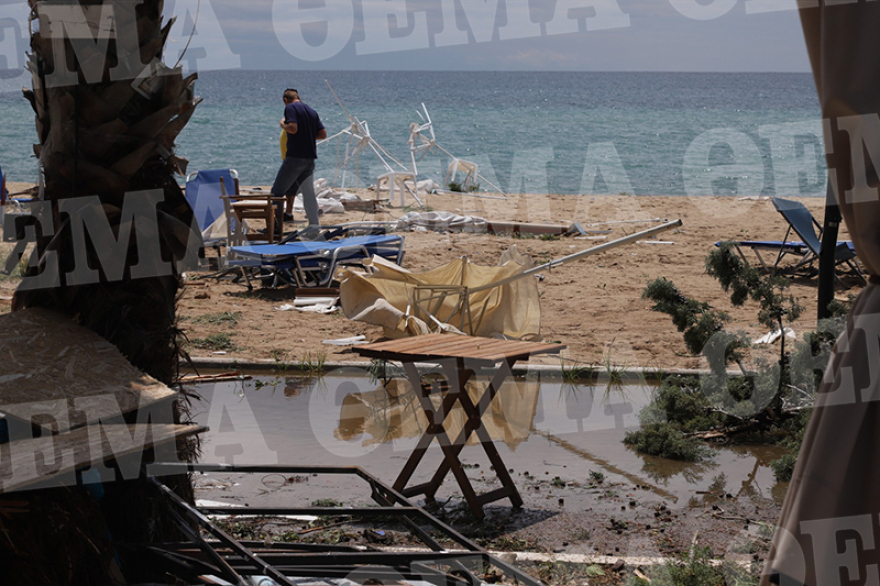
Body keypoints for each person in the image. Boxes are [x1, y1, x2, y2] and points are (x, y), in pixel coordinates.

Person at [272, 88, 326, 229]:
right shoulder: (311, 111)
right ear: (298, 97)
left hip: (295, 157)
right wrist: (306, 136)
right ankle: (314, 225)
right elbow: (322, 134)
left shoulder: (290, 108)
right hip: (310, 158)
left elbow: (292, 128)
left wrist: (282, 124)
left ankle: (275, 227)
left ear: (285, 100)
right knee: (308, 194)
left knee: (277, 192)